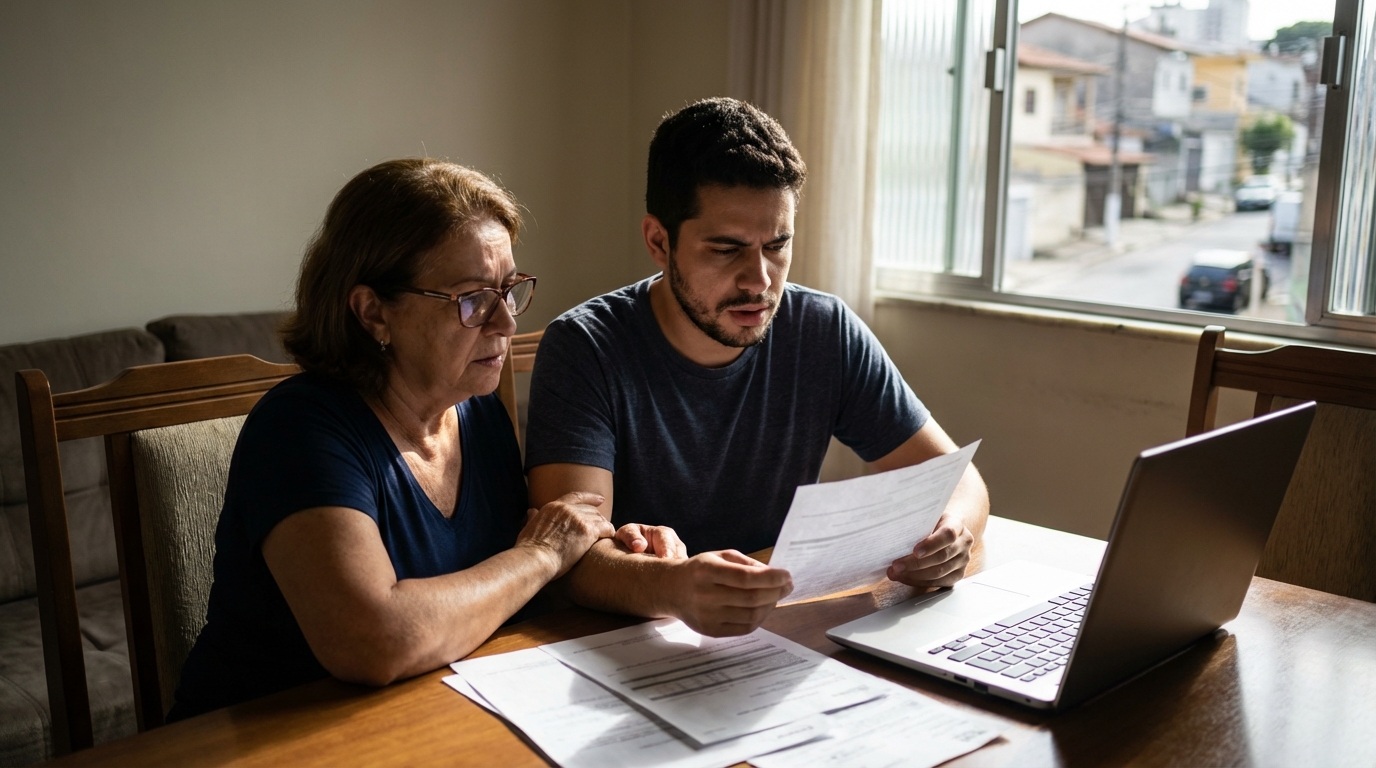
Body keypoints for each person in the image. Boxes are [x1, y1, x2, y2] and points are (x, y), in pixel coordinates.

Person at [170, 159, 649, 719]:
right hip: (262, 737)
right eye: (473, 299)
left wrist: (625, 557)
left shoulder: (476, 411)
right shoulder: (299, 429)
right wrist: (543, 554)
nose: (506, 322)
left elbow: (508, 588)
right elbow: (375, 641)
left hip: (423, 717)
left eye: (509, 290)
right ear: (373, 312)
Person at [524, 98, 990, 638]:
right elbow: (570, 556)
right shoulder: (585, 347)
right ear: (659, 242)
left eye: (777, 245)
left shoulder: (824, 330)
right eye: (727, 250)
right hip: (625, 641)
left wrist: (953, 532)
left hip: (775, 630)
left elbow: (959, 478)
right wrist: (673, 586)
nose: (760, 281)